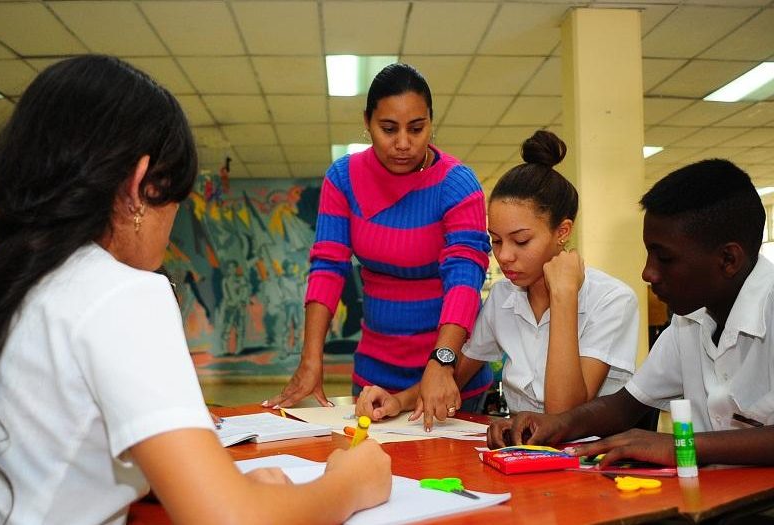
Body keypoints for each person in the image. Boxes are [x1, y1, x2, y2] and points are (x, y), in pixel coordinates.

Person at [0, 55, 391, 524]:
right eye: (177, 197)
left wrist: (216, 485)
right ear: (140, 184)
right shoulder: (122, 293)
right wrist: (351, 482)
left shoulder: (14, 279)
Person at [488, 158, 774, 468]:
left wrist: (681, 445)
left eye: (664, 258)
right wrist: (555, 424)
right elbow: (626, 404)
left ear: (728, 259)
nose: (648, 273)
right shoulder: (688, 321)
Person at [357, 131, 639, 429]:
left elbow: (562, 415)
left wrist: (564, 296)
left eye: (521, 241)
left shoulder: (612, 301)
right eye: (496, 241)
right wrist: (397, 401)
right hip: (520, 450)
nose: (504, 256)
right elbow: (453, 377)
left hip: (591, 459)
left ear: (563, 231)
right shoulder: (504, 297)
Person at [265, 63, 493, 425]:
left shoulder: (457, 184)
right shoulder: (343, 178)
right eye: (388, 129)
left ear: (431, 122)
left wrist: (442, 360)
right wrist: (311, 359)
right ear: (367, 121)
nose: (403, 143)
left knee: (444, 479)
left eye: (417, 129)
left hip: (449, 375)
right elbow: (328, 265)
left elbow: (464, 277)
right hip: (375, 375)